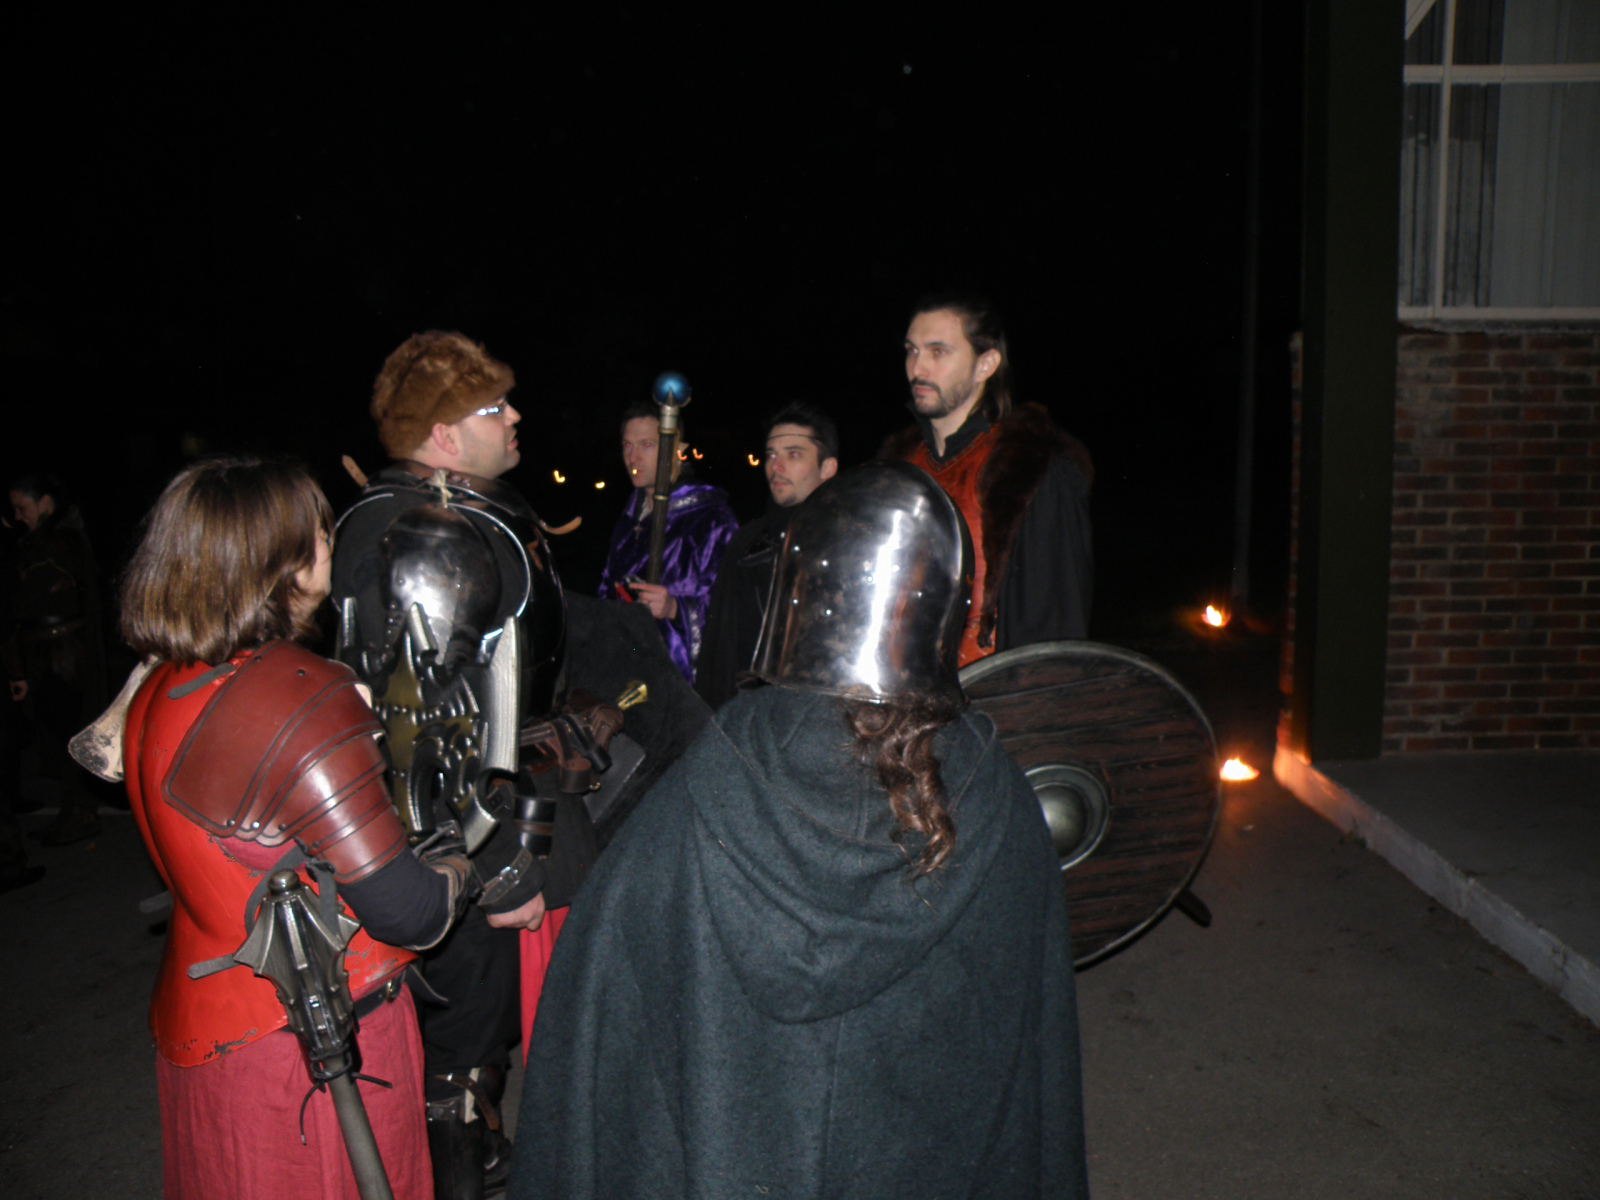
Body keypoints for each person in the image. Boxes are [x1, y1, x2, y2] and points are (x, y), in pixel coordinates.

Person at [507, 462, 1089, 1199]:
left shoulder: (705, 780)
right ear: (952, 607)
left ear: (796, 591)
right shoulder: (995, 793)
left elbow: (601, 1010)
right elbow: (1032, 1054)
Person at [334, 331, 712, 1199]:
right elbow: (422, 739)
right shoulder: (426, 536)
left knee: (489, 1029)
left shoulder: (454, 511)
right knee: (469, 1042)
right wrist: (497, 866)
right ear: (442, 435)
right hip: (460, 829)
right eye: (492, 407)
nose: (514, 416)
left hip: (495, 797)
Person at [112, 456, 543, 1200]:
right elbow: (410, 912)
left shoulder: (156, 684)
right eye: (318, 537)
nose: (330, 552)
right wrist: (462, 864)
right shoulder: (297, 696)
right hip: (312, 1056)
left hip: (203, 1035)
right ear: (279, 562)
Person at [881, 290, 1094, 665]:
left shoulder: (1030, 469)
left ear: (985, 365)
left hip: (985, 692)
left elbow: (1051, 633)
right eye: (912, 351)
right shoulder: (895, 469)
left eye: (938, 351)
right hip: (894, 688)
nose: (917, 368)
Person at [694, 402, 838, 709]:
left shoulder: (845, 543)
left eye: (793, 454)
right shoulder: (747, 543)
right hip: (750, 717)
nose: (776, 467)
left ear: (827, 468)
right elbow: (720, 654)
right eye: (771, 455)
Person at [598, 400, 737, 686]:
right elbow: (607, 591)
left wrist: (675, 608)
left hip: (682, 681)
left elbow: (731, 608)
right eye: (627, 446)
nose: (633, 458)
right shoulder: (630, 517)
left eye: (647, 445)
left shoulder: (711, 519)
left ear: (677, 450)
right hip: (629, 673)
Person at [6, 472, 107, 846]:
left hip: (63, 653)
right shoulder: (41, 541)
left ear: (45, 502)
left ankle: (81, 813)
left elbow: (29, 594)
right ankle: (73, 810)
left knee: (70, 733)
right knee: (57, 734)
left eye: (22, 508)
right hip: (45, 650)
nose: (18, 517)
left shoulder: (62, 540)